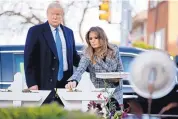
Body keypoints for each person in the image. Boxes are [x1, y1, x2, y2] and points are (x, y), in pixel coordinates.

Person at [24, 2, 80, 103]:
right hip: (43, 83)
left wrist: (92, 65)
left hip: (66, 83)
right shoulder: (35, 31)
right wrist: (31, 83)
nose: (55, 17)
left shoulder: (69, 32)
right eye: (52, 14)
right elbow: (29, 59)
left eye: (58, 14)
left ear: (62, 16)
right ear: (47, 15)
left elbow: (74, 57)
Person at [65, 26, 123, 90]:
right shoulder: (87, 53)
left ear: (102, 38)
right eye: (90, 38)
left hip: (116, 92)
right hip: (100, 92)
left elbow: (120, 70)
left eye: (96, 38)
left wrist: (117, 80)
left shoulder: (114, 49)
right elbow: (80, 69)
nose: (93, 41)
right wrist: (74, 81)